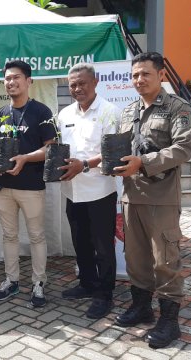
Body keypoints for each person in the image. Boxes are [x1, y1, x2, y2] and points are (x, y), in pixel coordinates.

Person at [112, 52, 191, 349]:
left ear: (161, 75)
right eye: (134, 75)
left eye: (145, 74)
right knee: (136, 258)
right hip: (132, 196)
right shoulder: (128, 111)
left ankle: (170, 321)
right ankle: (142, 307)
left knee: (165, 259)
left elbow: (183, 149)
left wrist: (143, 162)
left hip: (161, 197)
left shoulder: (176, 107)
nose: (139, 80)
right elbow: (121, 148)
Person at [0, 60, 56, 307]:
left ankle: (39, 283)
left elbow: (51, 149)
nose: (11, 82)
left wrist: (25, 159)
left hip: (31, 186)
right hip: (3, 186)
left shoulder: (42, 112)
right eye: (7, 78)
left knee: (37, 236)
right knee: (9, 235)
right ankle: (11, 280)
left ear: (28, 81)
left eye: (16, 77)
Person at [58, 63, 120, 319]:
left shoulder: (110, 112)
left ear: (95, 82)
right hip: (73, 191)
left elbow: (112, 152)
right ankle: (87, 284)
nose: (77, 88)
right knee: (80, 242)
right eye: (73, 84)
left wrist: (84, 164)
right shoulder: (64, 115)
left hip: (100, 192)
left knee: (103, 247)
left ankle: (104, 295)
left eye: (82, 83)